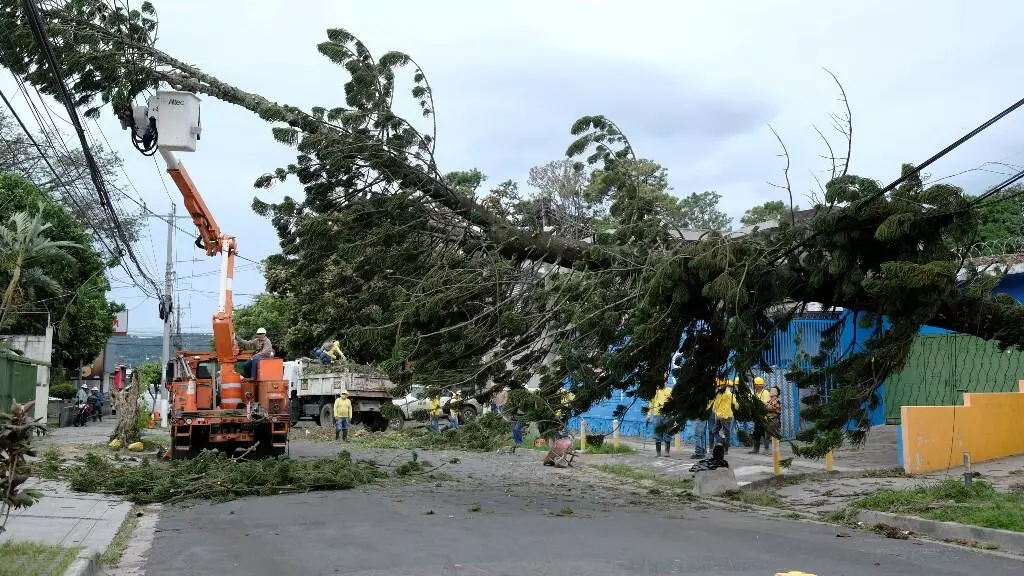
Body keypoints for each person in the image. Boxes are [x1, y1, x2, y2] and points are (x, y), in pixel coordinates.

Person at [710, 378, 738, 455]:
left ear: (723, 385)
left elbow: (736, 405)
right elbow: (715, 404)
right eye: (718, 386)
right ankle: (724, 442)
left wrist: (734, 407)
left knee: (726, 432)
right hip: (719, 415)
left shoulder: (729, 394)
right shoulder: (718, 394)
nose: (718, 387)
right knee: (714, 431)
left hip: (726, 416)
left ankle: (726, 450)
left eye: (720, 386)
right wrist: (714, 411)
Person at [647, 375, 673, 457]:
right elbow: (650, 404)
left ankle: (667, 452)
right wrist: (648, 415)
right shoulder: (654, 392)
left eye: (664, 380)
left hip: (667, 415)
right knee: (657, 433)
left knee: (667, 433)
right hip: (657, 415)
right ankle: (658, 452)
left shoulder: (670, 390)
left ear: (666, 381)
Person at [750, 377, 770, 454]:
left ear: (759, 385)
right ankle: (756, 449)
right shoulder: (756, 393)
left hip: (764, 417)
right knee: (756, 433)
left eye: (755, 385)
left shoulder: (765, 392)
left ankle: (766, 449)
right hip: (757, 416)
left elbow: (766, 403)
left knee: (765, 434)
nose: (755, 386)